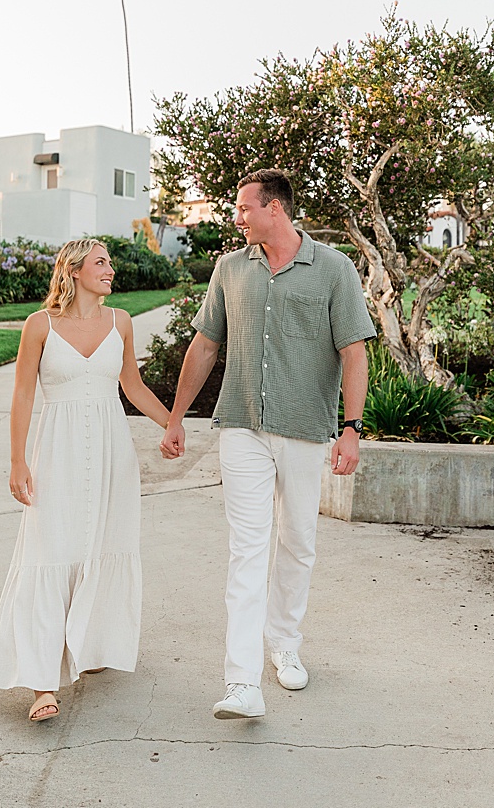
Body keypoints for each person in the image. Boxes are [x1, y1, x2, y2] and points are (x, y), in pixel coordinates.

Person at [160, 168, 375, 720]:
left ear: (274, 208)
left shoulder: (333, 268)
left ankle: (285, 644)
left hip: (306, 429)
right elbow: (206, 344)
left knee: (298, 540)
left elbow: (355, 351)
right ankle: (241, 683)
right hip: (242, 425)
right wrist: (177, 417)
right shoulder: (230, 269)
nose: (236, 216)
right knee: (247, 550)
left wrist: (352, 427)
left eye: (243, 208)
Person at [0, 238, 177, 722]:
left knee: (102, 546)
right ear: (73, 271)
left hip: (113, 454)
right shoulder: (40, 326)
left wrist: (171, 423)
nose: (111, 270)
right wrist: (17, 460)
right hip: (57, 453)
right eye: (101, 263)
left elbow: (131, 385)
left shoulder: (121, 322)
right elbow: (23, 396)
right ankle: (41, 683)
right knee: (48, 553)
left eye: (110, 262)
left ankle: (90, 646)